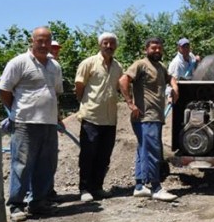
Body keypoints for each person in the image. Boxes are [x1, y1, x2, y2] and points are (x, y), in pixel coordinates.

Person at [0, 26, 64, 222]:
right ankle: (16, 205)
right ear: (32, 41)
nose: (43, 45)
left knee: (47, 164)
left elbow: (55, 93)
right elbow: (4, 89)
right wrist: (16, 111)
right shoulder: (19, 62)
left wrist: (57, 117)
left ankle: (39, 203)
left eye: (47, 41)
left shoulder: (55, 66)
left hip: (49, 123)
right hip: (25, 122)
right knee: (22, 164)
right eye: (40, 41)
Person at [119, 37, 179, 202]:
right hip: (146, 116)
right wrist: (130, 103)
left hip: (154, 116)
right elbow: (123, 80)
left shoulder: (160, 67)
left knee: (143, 149)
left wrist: (175, 87)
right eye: (153, 48)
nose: (157, 51)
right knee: (153, 151)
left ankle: (139, 186)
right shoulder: (140, 64)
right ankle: (156, 187)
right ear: (146, 49)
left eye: (159, 48)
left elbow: (170, 77)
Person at [74, 32, 123, 202]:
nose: (109, 46)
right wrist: (84, 102)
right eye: (105, 43)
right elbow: (79, 86)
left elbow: (119, 87)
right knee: (88, 154)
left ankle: (98, 187)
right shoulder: (88, 63)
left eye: (112, 44)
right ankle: (85, 189)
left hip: (110, 119)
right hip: (92, 116)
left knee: (104, 155)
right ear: (100, 45)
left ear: (115, 46)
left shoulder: (118, 67)